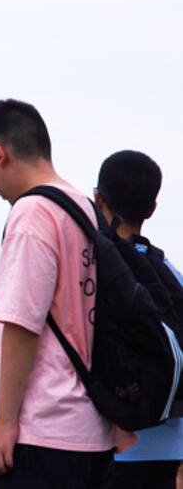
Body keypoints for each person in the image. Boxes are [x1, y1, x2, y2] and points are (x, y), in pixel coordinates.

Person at [0, 99, 134, 488]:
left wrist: (5, 422)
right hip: (90, 428)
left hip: (43, 430)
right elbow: (68, 303)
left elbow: (21, 325)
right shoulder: (81, 207)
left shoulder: (31, 212)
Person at [92, 150, 183, 489]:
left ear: (98, 199)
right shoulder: (170, 274)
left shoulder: (93, 269)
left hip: (109, 439)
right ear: (152, 209)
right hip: (168, 440)